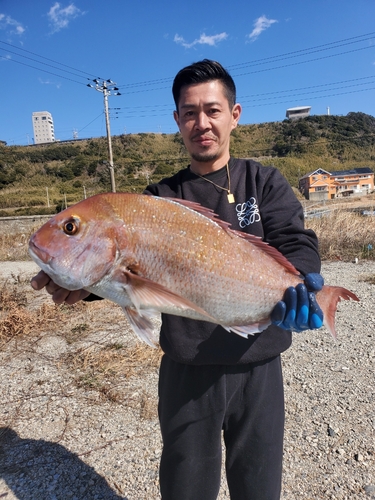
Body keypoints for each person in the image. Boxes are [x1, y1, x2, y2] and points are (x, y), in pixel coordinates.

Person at [31, 59, 324, 500]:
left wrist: (304, 278)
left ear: (234, 115)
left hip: (259, 365)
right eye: (189, 112)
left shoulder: (264, 182)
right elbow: (129, 277)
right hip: (186, 372)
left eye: (212, 110)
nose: (201, 123)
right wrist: (79, 285)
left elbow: (294, 240)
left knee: (260, 486)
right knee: (187, 489)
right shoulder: (158, 200)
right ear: (176, 120)